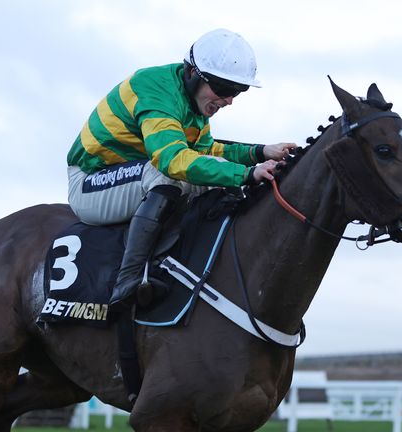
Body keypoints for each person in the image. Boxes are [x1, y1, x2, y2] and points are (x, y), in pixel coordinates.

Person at [66, 28, 297, 311]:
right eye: (224, 89)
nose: (229, 100)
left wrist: (259, 152)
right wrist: (247, 174)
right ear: (192, 74)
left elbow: (205, 152)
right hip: (90, 181)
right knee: (165, 173)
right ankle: (128, 282)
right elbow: (172, 159)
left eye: (238, 91)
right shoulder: (155, 88)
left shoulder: (193, 104)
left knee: (215, 172)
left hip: (132, 178)